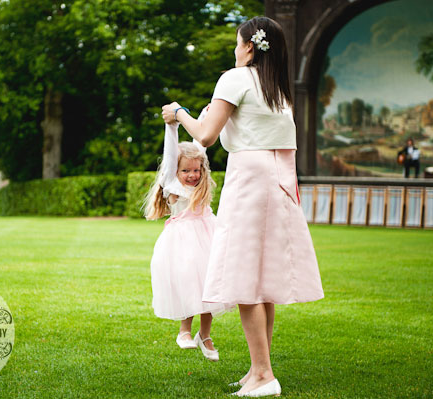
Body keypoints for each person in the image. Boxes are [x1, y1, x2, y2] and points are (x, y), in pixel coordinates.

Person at [162, 16, 324, 397]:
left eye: (238, 43)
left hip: (250, 178)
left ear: (249, 46)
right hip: (278, 179)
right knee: (263, 282)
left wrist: (178, 113)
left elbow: (205, 135)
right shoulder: (278, 92)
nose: (235, 49)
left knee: (244, 276)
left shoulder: (234, 78)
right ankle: (257, 371)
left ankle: (265, 376)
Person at [143, 115, 231, 362]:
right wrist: (171, 126)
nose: (192, 175)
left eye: (196, 170)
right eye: (186, 170)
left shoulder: (201, 184)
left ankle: (204, 335)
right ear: (175, 170)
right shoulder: (172, 183)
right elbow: (170, 154)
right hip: (182, 240)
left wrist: (204, 118)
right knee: (189, 282)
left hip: (208, 235)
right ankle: (184, 330)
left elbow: (201, 142)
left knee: (209, 283)